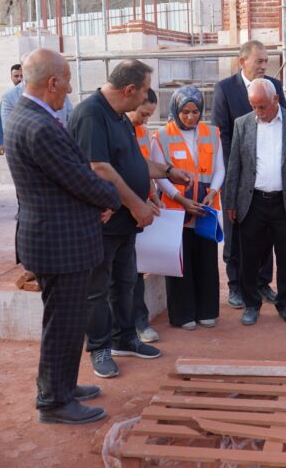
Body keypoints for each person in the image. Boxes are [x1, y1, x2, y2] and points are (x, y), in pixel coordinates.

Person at [5, 48, 122, 424]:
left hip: (55, 238)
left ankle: (61, 387)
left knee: (64, 322)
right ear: (52, 82)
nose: (70, 89)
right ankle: (55, 401)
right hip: (60, 243)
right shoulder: (39, 126)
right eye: (67, 81)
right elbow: (79, 177)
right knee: (64, 324)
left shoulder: (30, 116)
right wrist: (112, 197)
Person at [68, 60, 191, 378]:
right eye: (145, 90)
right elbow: (99, 168)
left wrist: (167, 171)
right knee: (97, 289)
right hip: (101, 221)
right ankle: (99, 347)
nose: (146, 97)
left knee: (124, 283)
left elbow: (134, 161)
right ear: (129, 89)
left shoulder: (120, 117)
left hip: (124, 222)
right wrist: (137, 205)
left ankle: (124, 338)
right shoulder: (91, 114)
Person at [223, 78, 286, 326]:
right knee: (249, 258)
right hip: (252, 203)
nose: (258, 112)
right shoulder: (242, 124)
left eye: (262, 106)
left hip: (285, 202)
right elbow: (234, 166)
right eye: (253, 106)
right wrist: (230, 202)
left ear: (275, 99)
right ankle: (251, 304)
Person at [212, 40, 286, 309]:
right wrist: (236, 170)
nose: (264, 66)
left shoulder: (274, 86)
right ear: (242, 61)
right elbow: (222, 133)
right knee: (235, 229)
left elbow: (284, 124)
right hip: (238, 175)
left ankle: (262, 282)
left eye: (266, 61)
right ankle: (235, 285)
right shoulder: (225, 88)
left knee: (267, 230)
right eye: (259, 61)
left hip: (268, 174)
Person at [151, 86, 225, 330]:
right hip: (177, 209)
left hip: (205, 208)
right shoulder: (162, 136)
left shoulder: (212, 133)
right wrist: (180, 199)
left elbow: (220, 168)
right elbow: (159, 175)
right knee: (180, 261)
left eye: (195, 112)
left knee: (206, 259)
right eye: (185, 112)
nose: (190, 117)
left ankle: (207, 310)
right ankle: (183, 314)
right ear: (175, 110)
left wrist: (213, 192)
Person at [127, 87, 162, 343]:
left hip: (138, 209)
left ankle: (140, 323)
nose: (145, 120)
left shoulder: (141, 131)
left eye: (149, 115)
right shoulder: (111, 129)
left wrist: (152, 193)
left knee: (135, 269)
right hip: (117, 209)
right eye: (143, 114)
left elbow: (144, 167)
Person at [0, 62, 73, 156]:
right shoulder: (9, 97)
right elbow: (5, 124)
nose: (19, 78)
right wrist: (0, 141)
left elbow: (70, 118)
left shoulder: (59, 91)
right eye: (16, 76)